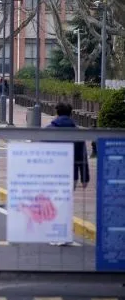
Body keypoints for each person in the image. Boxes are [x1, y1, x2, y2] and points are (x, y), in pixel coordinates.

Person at [47, 102, 89, 246]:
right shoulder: (76, 131)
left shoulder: (49, 129)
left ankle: (56, 234)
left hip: (52, 174)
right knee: (66, 203)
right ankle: (66, 235)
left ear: (57, 112)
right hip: (71, 174)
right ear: (71, 114)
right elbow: (82, 155)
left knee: (54, 203)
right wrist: (85, 177)